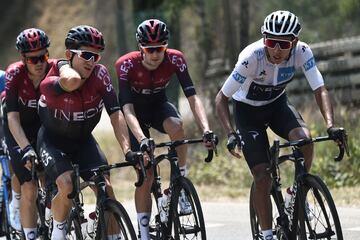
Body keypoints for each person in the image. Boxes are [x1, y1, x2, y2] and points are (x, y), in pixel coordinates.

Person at [215, 10, 346, 240]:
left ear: (294, 42)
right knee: (262, 178)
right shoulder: (251, 57)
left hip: (277, 106)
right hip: (248, 113)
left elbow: (319, 89)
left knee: (305, 140)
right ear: (264, 39)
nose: (276, 49)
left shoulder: (303, 52)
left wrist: (330, 125)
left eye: (283, 44)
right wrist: (230, 133)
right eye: (271, 42)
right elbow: (221, 99)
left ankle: (297, 193)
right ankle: (267, 235)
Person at [115, 19, 214, 240]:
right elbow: (127, 109)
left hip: (158, 106)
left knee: (177, 127)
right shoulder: (126, 64)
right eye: (149, 49)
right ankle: (143, 233)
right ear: (140, 47)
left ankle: (181, 178)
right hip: (135, 115)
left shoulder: (176, 58)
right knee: (146, 174)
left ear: (166, 46)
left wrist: (206, 129)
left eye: (160, 48)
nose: (155, 54)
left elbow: (192, 97)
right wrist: (141, 138)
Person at [37, 25, 136, 240]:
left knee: (106, 189)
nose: (92, 61)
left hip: (83, 142)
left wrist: (127, 150)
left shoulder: (101, 75)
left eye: (96, 56)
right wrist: (65, 66)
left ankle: (113, 236)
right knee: (66, 185)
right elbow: (70, 82)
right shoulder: (51, 79)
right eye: (86, 55)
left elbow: (115, 113)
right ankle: (58, 230)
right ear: (68, 55)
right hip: (53, 142)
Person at [3, 28, 54, 239]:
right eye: (33, 59)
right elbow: (12, 118)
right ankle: (18, 205)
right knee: (29, 186)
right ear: (23, 59)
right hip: (16, 130)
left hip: (41, 129)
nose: (40, 63)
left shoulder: (55, 70)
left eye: (43, 56)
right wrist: (26, 148)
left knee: (48, 176)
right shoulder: (14, 73)